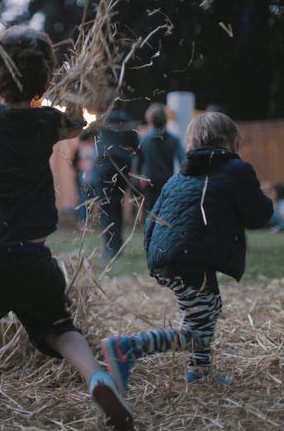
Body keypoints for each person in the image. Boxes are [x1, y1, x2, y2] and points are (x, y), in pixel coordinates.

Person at [0, 22, 133, 430]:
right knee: (57, 325)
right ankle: (95, 375)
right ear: (47, 78)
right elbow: (82, 117)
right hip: (32, 254)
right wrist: (79, 78)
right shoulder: (48, 123)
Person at [101, 111, 273, 394]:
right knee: (196, 329)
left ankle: (199, 371)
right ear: (232, 142)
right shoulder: (236, 170)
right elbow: (259, 216)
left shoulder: (178, 177)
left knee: (209, 308)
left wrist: (154, 260)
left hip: (170, 255)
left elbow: (152, 219)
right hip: (190, 257)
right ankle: (127, 347)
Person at [90, 106, 139, 258]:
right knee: (117, 207)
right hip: (124, 169)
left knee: (106, 209)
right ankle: (117, 246)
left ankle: (110, 249)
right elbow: (136, 147)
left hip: (105, 169)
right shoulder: (129, 124)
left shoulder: (103, 123)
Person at [135, 103, 184, 213]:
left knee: (151, 213)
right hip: (167, 181)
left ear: (150, 120)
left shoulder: (143, 140)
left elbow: (138, 162)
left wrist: (139, 178)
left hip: (148, 182)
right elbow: (183, 161)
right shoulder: (174, 139)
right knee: (165, 212)